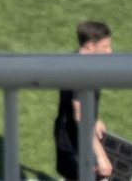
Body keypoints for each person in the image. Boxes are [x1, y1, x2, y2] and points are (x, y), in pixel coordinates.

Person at [54, 20, 114, 181]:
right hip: (76, 143)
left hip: (66, 137)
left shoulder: (75, 60)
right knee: (102, 175)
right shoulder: (82, 73)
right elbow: (80, 115)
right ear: (89, 46)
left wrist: (94, 119)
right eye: (105, 47)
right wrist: (101, 156)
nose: (110, 52)